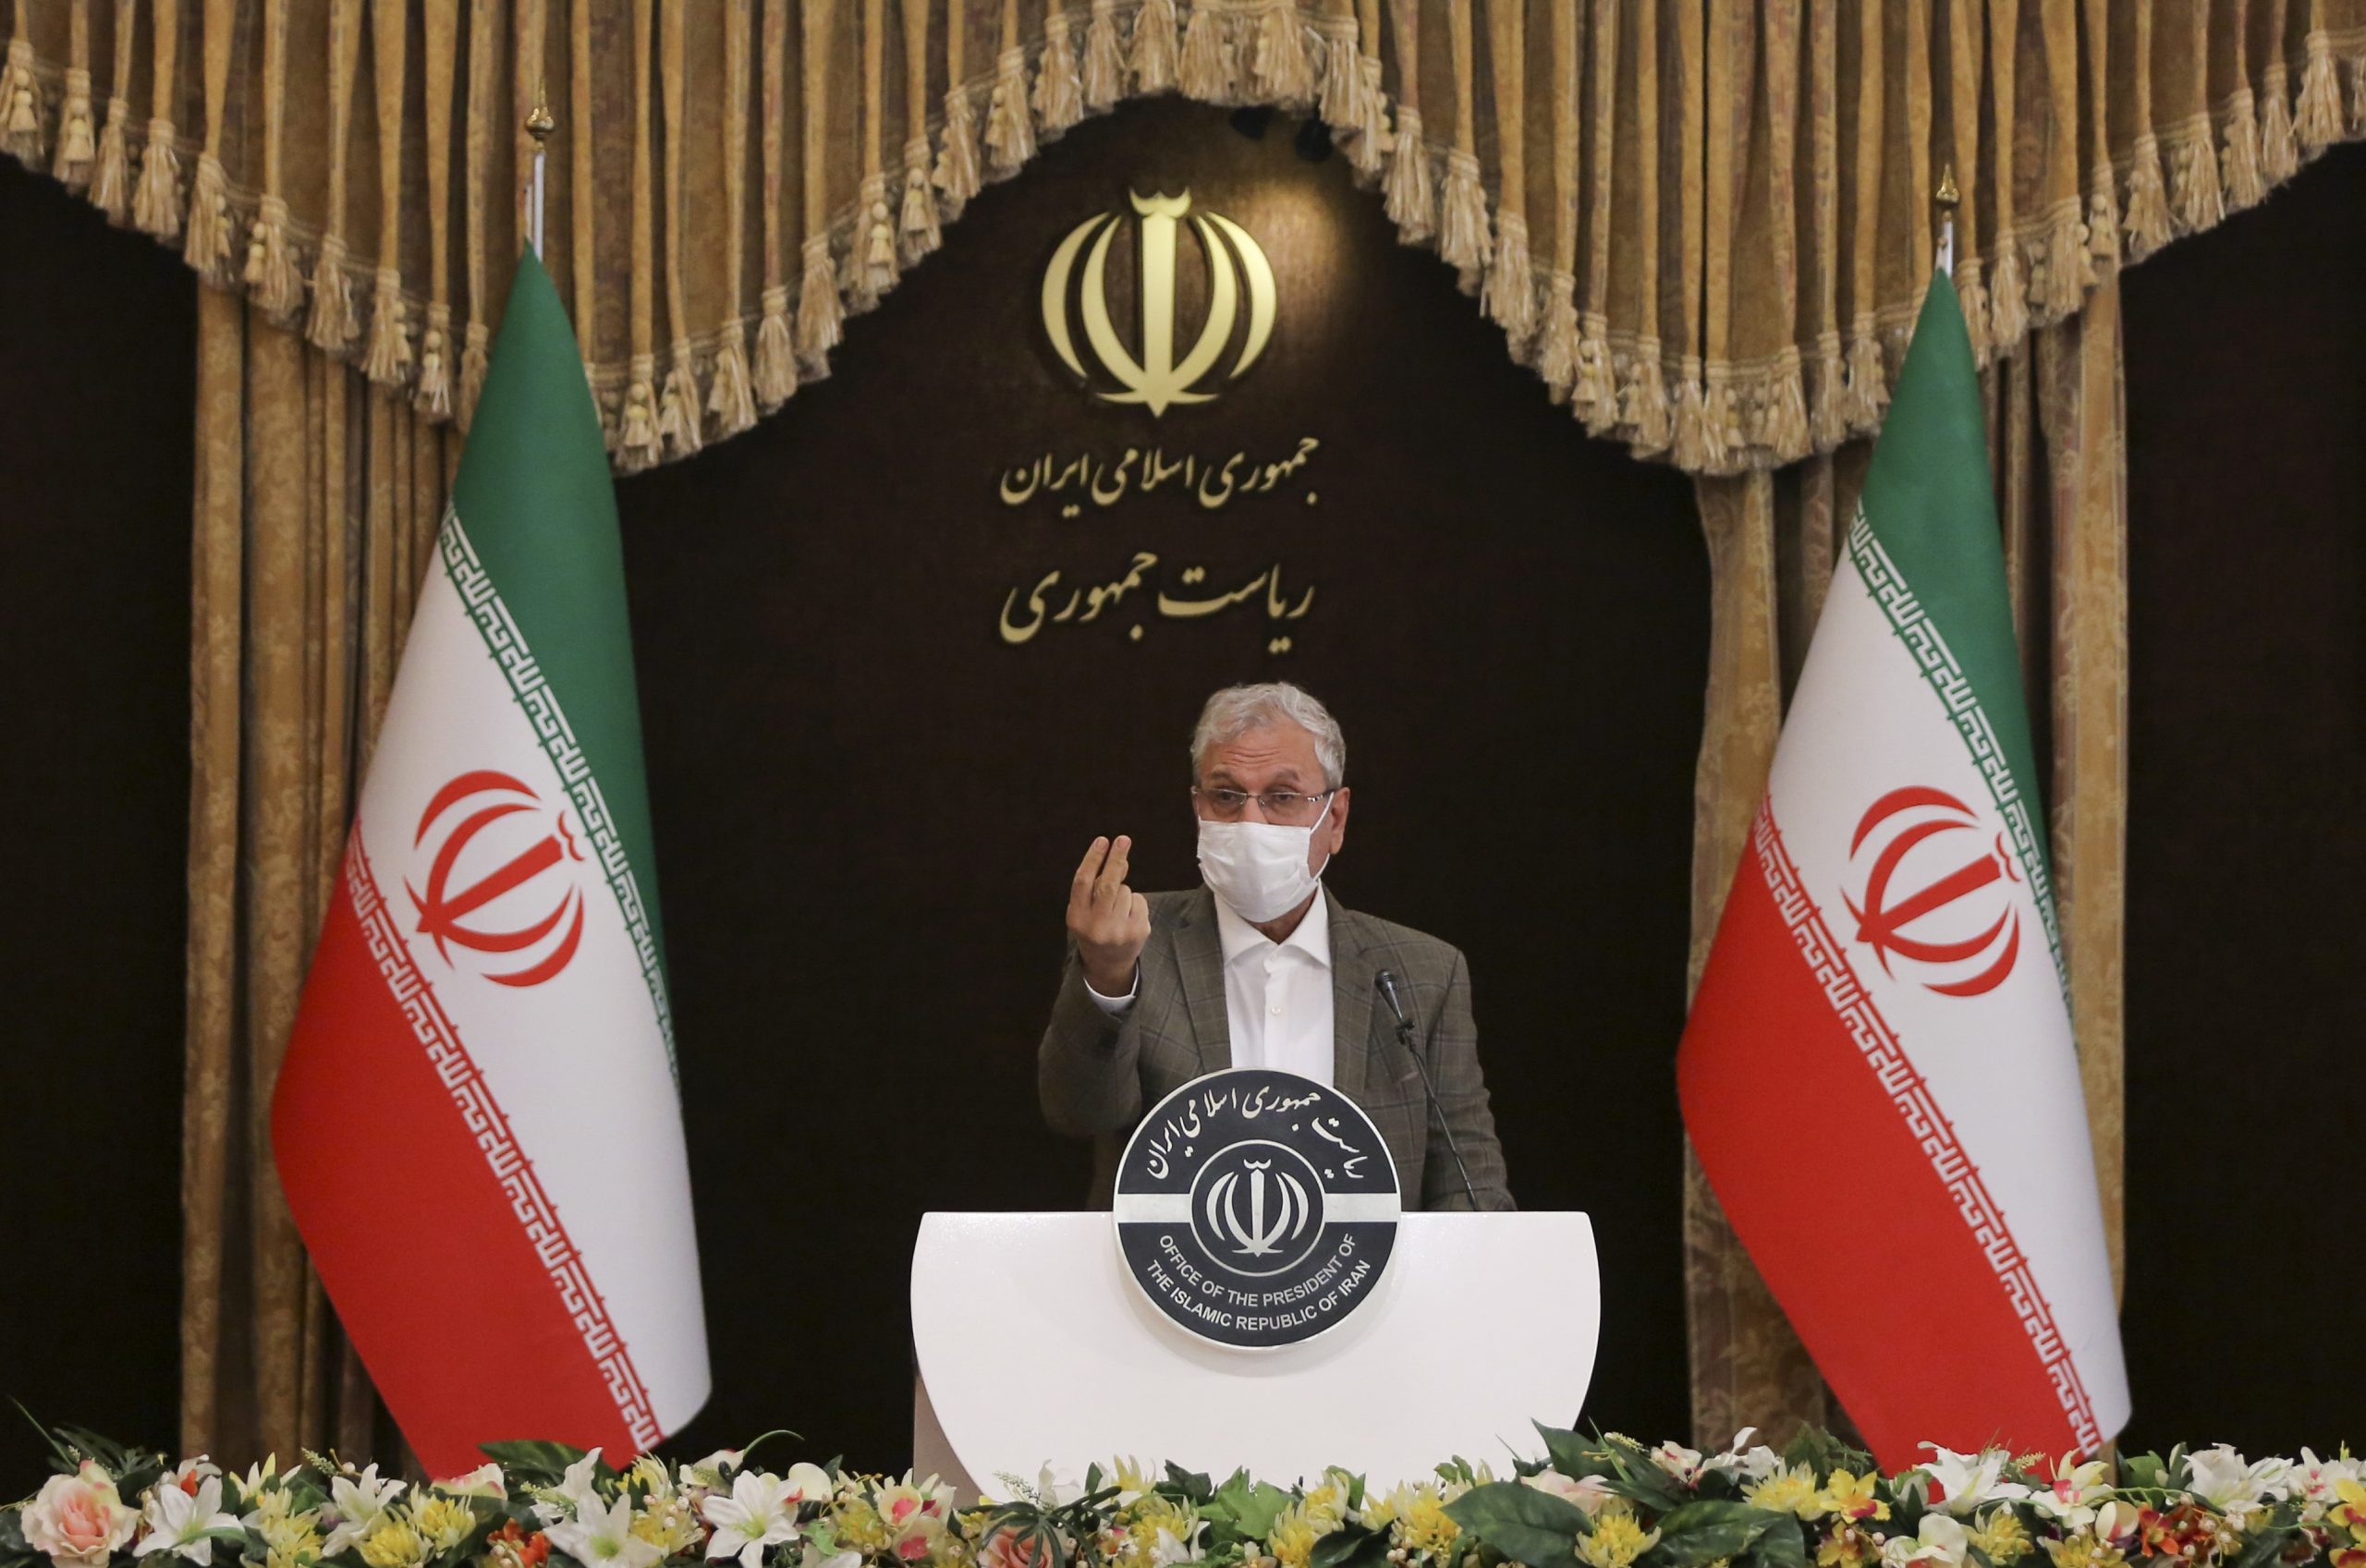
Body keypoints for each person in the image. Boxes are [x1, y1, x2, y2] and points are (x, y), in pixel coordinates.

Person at [1037, 681, 1514, 1210]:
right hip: (1169, 1260)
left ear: (1335, 818)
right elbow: (1079, 1113)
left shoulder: (1424, 973)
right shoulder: (1131, 941)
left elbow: (1471, 1179)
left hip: (1370, 1263)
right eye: (1226, 796)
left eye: (1282, 797)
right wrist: (1107, 977)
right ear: (1197, 807)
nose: (1251, 822)